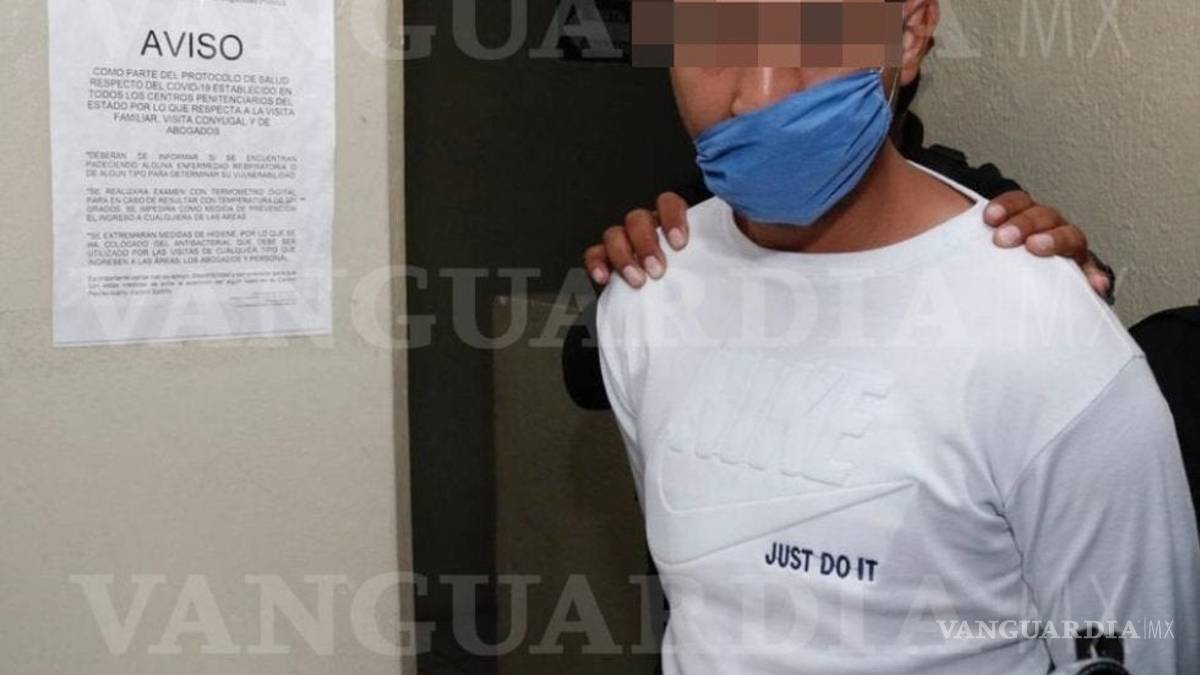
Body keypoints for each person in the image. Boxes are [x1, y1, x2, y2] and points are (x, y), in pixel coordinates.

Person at [594, 1, 1200, 673]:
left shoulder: (1044, 333)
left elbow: (1136, 647)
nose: (760, 94)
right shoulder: (646, 297)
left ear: (908, 34)